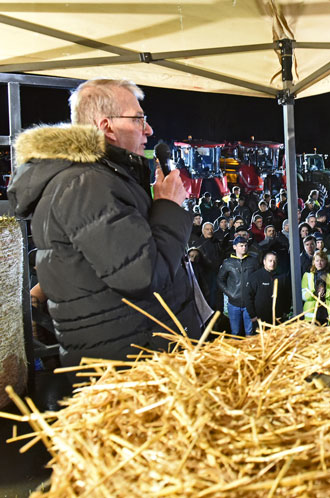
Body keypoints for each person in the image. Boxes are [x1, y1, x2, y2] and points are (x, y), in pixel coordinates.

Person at [8, 78, 202, 366]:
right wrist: (168, 207)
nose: (148, 129)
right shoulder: (85, 183)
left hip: (133, 351)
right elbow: (142, 274)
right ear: (106, 126)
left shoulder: (94, 178)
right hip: (128, 363)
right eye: (138, 119)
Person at [218, 236, 260, 336]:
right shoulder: (228, 263)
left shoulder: (253, 261)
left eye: (245, 245)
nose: (244, 248)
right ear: (234, 247)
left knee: (250, 332)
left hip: (249, 303)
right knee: (235, 332)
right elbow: (220, 280)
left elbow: (258, 278)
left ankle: (250, 350)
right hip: (233, 303)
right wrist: (230, 293)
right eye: (241, 246)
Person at [245, 251, 289, 325]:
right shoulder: (255, 277)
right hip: (260, 319)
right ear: (264, 262)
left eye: (275, 261)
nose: (272, 263)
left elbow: (287, 295)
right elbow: (248, 297)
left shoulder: (282, 277)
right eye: (270, 261)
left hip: (278, 318)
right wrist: (253, 315)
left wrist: (285, 311)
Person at [301, 250, 330, 323]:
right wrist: (314, 294)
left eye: (322, 260)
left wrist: (326, 294)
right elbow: (302, 294)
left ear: (326, 261)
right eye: (317, 260)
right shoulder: (307, 275)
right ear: (314, 262)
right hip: (312, 315)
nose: (319, 263)